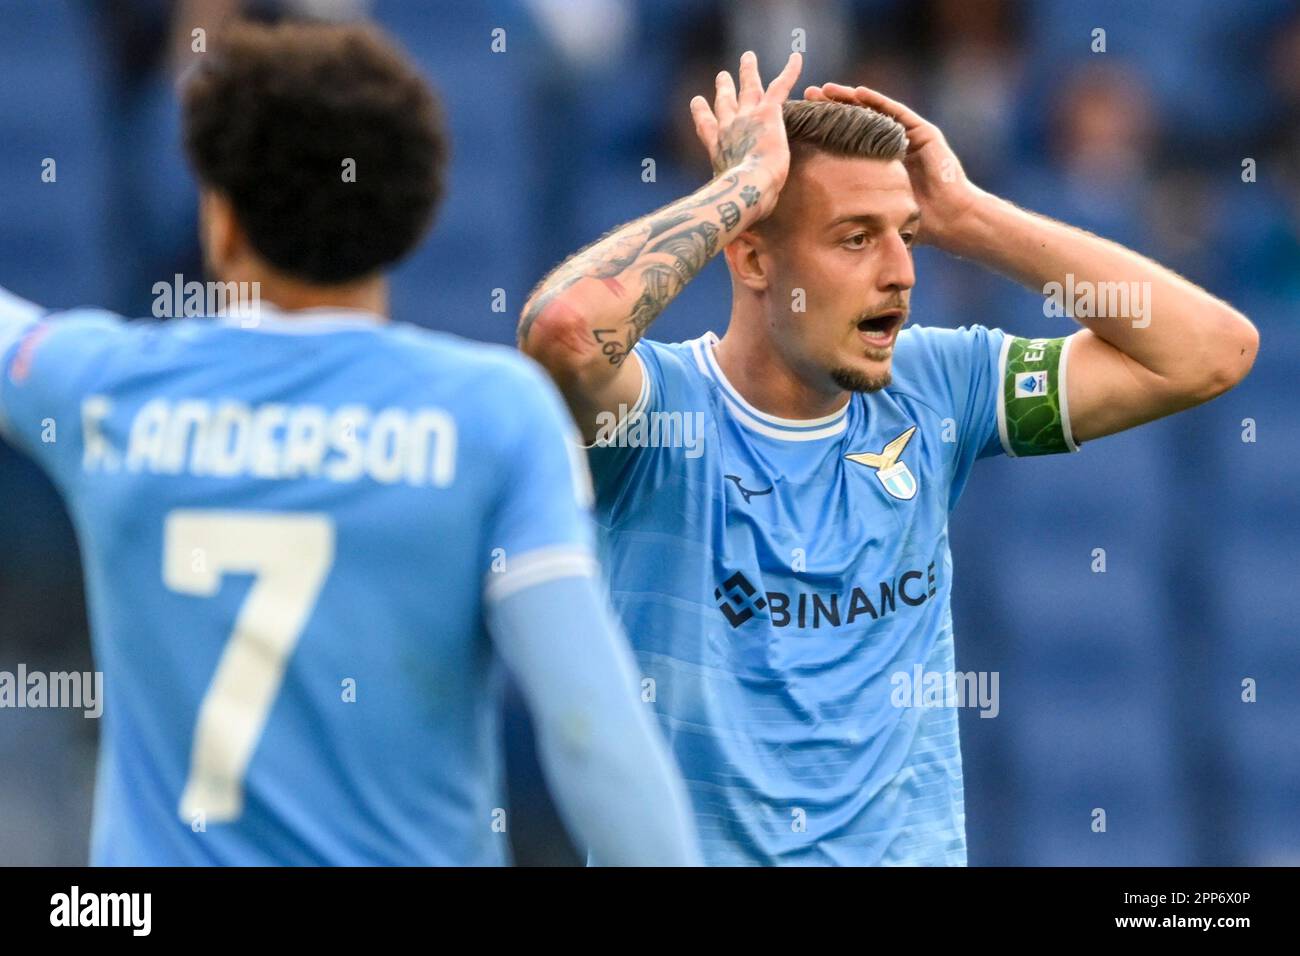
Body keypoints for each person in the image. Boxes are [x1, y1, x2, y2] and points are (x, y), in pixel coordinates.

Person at [518, 51, 1258, 865]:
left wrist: (970, 217)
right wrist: (738, 192)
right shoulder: (657, 416)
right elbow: (565, 333)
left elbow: (1208, 353)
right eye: (855, 238)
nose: (902, 274)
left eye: (906, 236)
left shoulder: (939, 387)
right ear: (755, 256)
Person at [0, 20, 699, 867]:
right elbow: (591, 731)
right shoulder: (494, 415)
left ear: (219, 222)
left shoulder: (107, 388)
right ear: (410, 220)